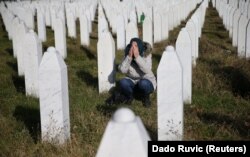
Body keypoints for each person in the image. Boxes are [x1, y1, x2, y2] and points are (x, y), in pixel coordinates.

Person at [106, 38, 156, 107]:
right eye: (132, 46)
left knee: (143, 83)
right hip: (132, 81)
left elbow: (147, 70)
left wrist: (137, 57)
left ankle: (145, 97)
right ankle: (130, 96)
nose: (133, 48)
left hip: (147, 80)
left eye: (135, 46)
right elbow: (122, 70)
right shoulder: (128, 53)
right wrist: (129, 57)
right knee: (123, 82)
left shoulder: (147, 55)